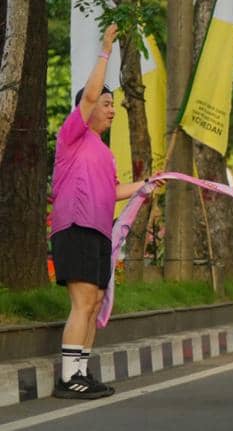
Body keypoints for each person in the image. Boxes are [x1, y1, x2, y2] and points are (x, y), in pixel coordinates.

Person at [50, 24, 149, 400]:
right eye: (107, 105)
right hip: (74, 228)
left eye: (112, 106)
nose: (112, 111)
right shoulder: (71, 136)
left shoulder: (104, 154)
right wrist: (106, 50)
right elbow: (91, 94)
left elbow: (114, 191)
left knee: (92, 304)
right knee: (82, 301)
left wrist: (145, 186)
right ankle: (68, 378)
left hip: (98, 232)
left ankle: (80, 372)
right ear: (86, 110)